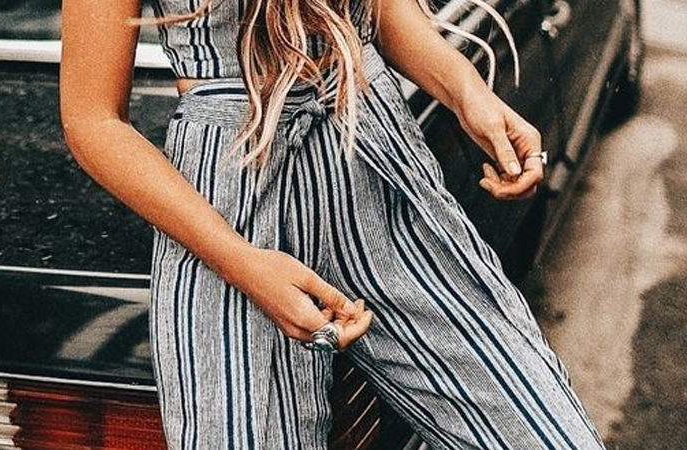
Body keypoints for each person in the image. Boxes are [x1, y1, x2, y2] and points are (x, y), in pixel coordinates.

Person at [59, 0, 608, 448]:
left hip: (377, 165)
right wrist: (241, 261)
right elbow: (92, 118)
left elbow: (377, 10)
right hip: (233, 211)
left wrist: (469, 94)